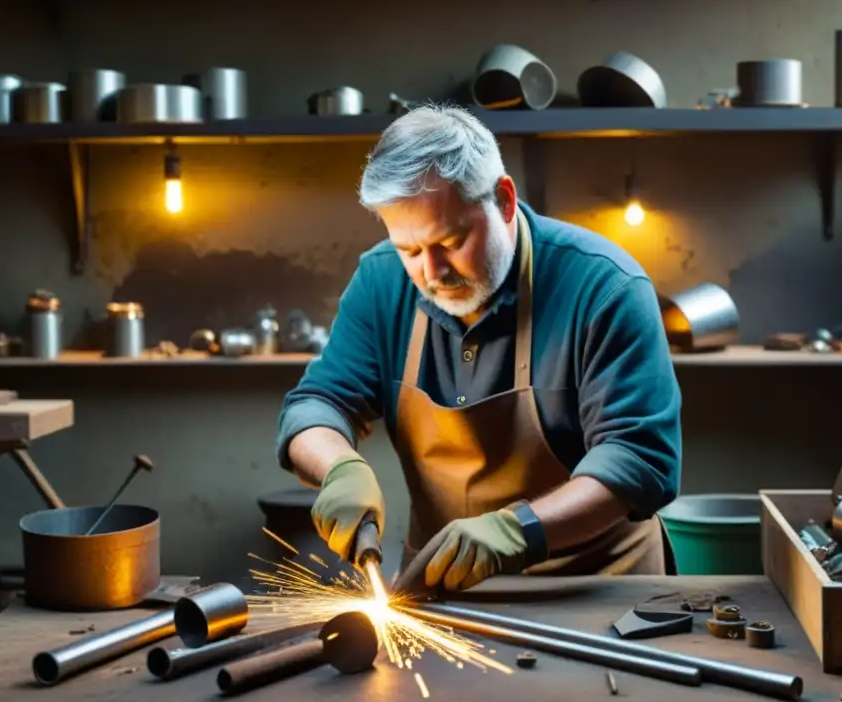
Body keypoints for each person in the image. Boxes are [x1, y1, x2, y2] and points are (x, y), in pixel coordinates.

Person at [276, 104, 682, 593]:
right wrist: (339, 467)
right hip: (445, 588)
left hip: (598, 588)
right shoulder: (381, 280)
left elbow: (638, 460)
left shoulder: (605, 287)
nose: (432, 271)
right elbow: (317, 404)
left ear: (505, 200)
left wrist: (518, 531)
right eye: (410, 250)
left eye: (452, 240)